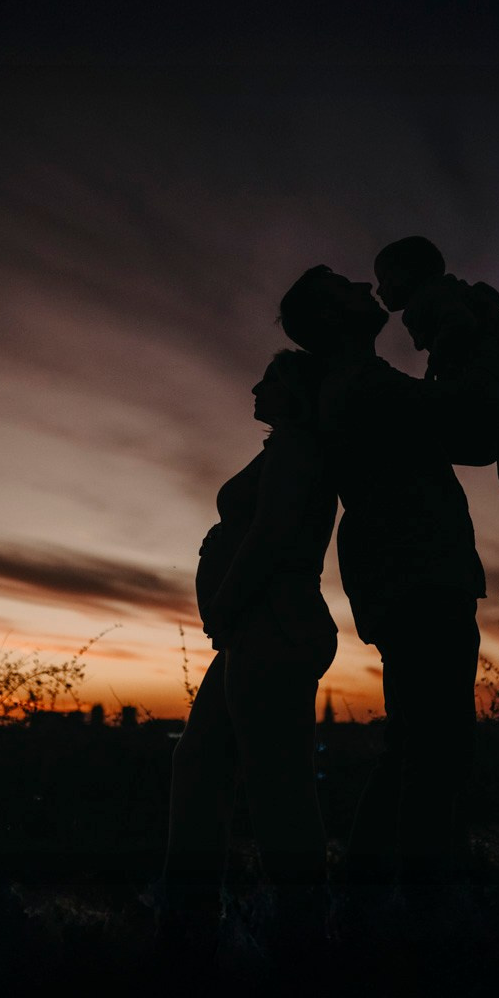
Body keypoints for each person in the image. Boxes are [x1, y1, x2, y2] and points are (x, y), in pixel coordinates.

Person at [278, 266, 499, 895]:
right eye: (343, 286)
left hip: (408, 574)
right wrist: (471, 329)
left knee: (417, 744)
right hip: (419, 573)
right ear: (330, 319)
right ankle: (416, 914)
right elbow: (472, 420)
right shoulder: (359, 382)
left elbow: (452, 426)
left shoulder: (359, 383)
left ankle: (373, 906)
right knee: (437, 748)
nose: (363, 284)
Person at [160, 349, 338, 959]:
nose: (257, 386)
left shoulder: (298, 448)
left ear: (298, 392)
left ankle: (303, 938)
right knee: (198, 764)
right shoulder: (281, 449)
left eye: (272, 379)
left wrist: (226, 602)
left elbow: (271, 535)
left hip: (271, 626)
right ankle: (190, 925)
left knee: (277, 785)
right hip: (251, 628)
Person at [373, 235, 499, 602]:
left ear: (410, 274)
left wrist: (438, 369)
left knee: (429, 444)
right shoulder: (448, 292)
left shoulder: (427, 299)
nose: (379, 289)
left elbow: (459, 325)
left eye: (385, 278)